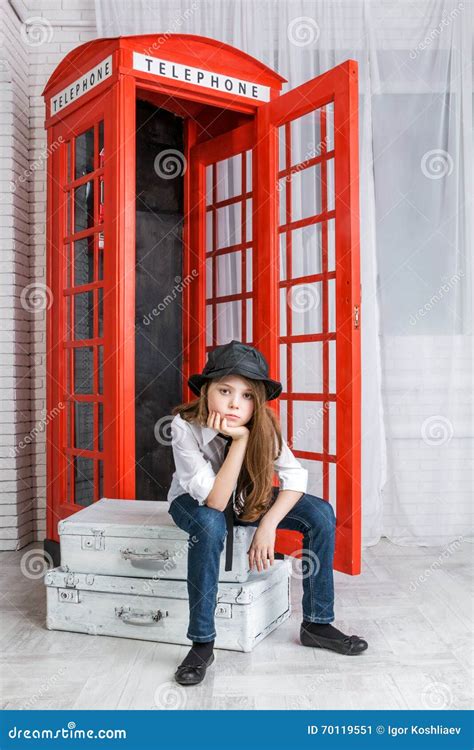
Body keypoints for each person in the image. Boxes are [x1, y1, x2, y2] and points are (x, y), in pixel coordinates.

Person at [167, 340, 368, 686]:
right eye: (225, 390)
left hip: (245, 497)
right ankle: (202, 643)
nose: (234, 403)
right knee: (211, 523)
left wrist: (269, 525)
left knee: (320, 512)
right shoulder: (184, 425)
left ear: (257, 401)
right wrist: (239, 442)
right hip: (196, 501)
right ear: (206, 392)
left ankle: (317, 624)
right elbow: (215, 500)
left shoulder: (264, 425)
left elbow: (295, 477)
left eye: (246, 396)